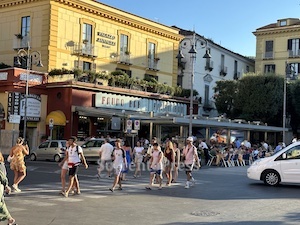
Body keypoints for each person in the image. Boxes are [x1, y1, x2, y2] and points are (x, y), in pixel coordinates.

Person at [0, 152, 16, 225]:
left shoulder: (0, 165)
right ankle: (9, 218)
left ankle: (9, 218)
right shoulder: (1, 165)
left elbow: (2, 176)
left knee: (1, 203)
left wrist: (6, 185)